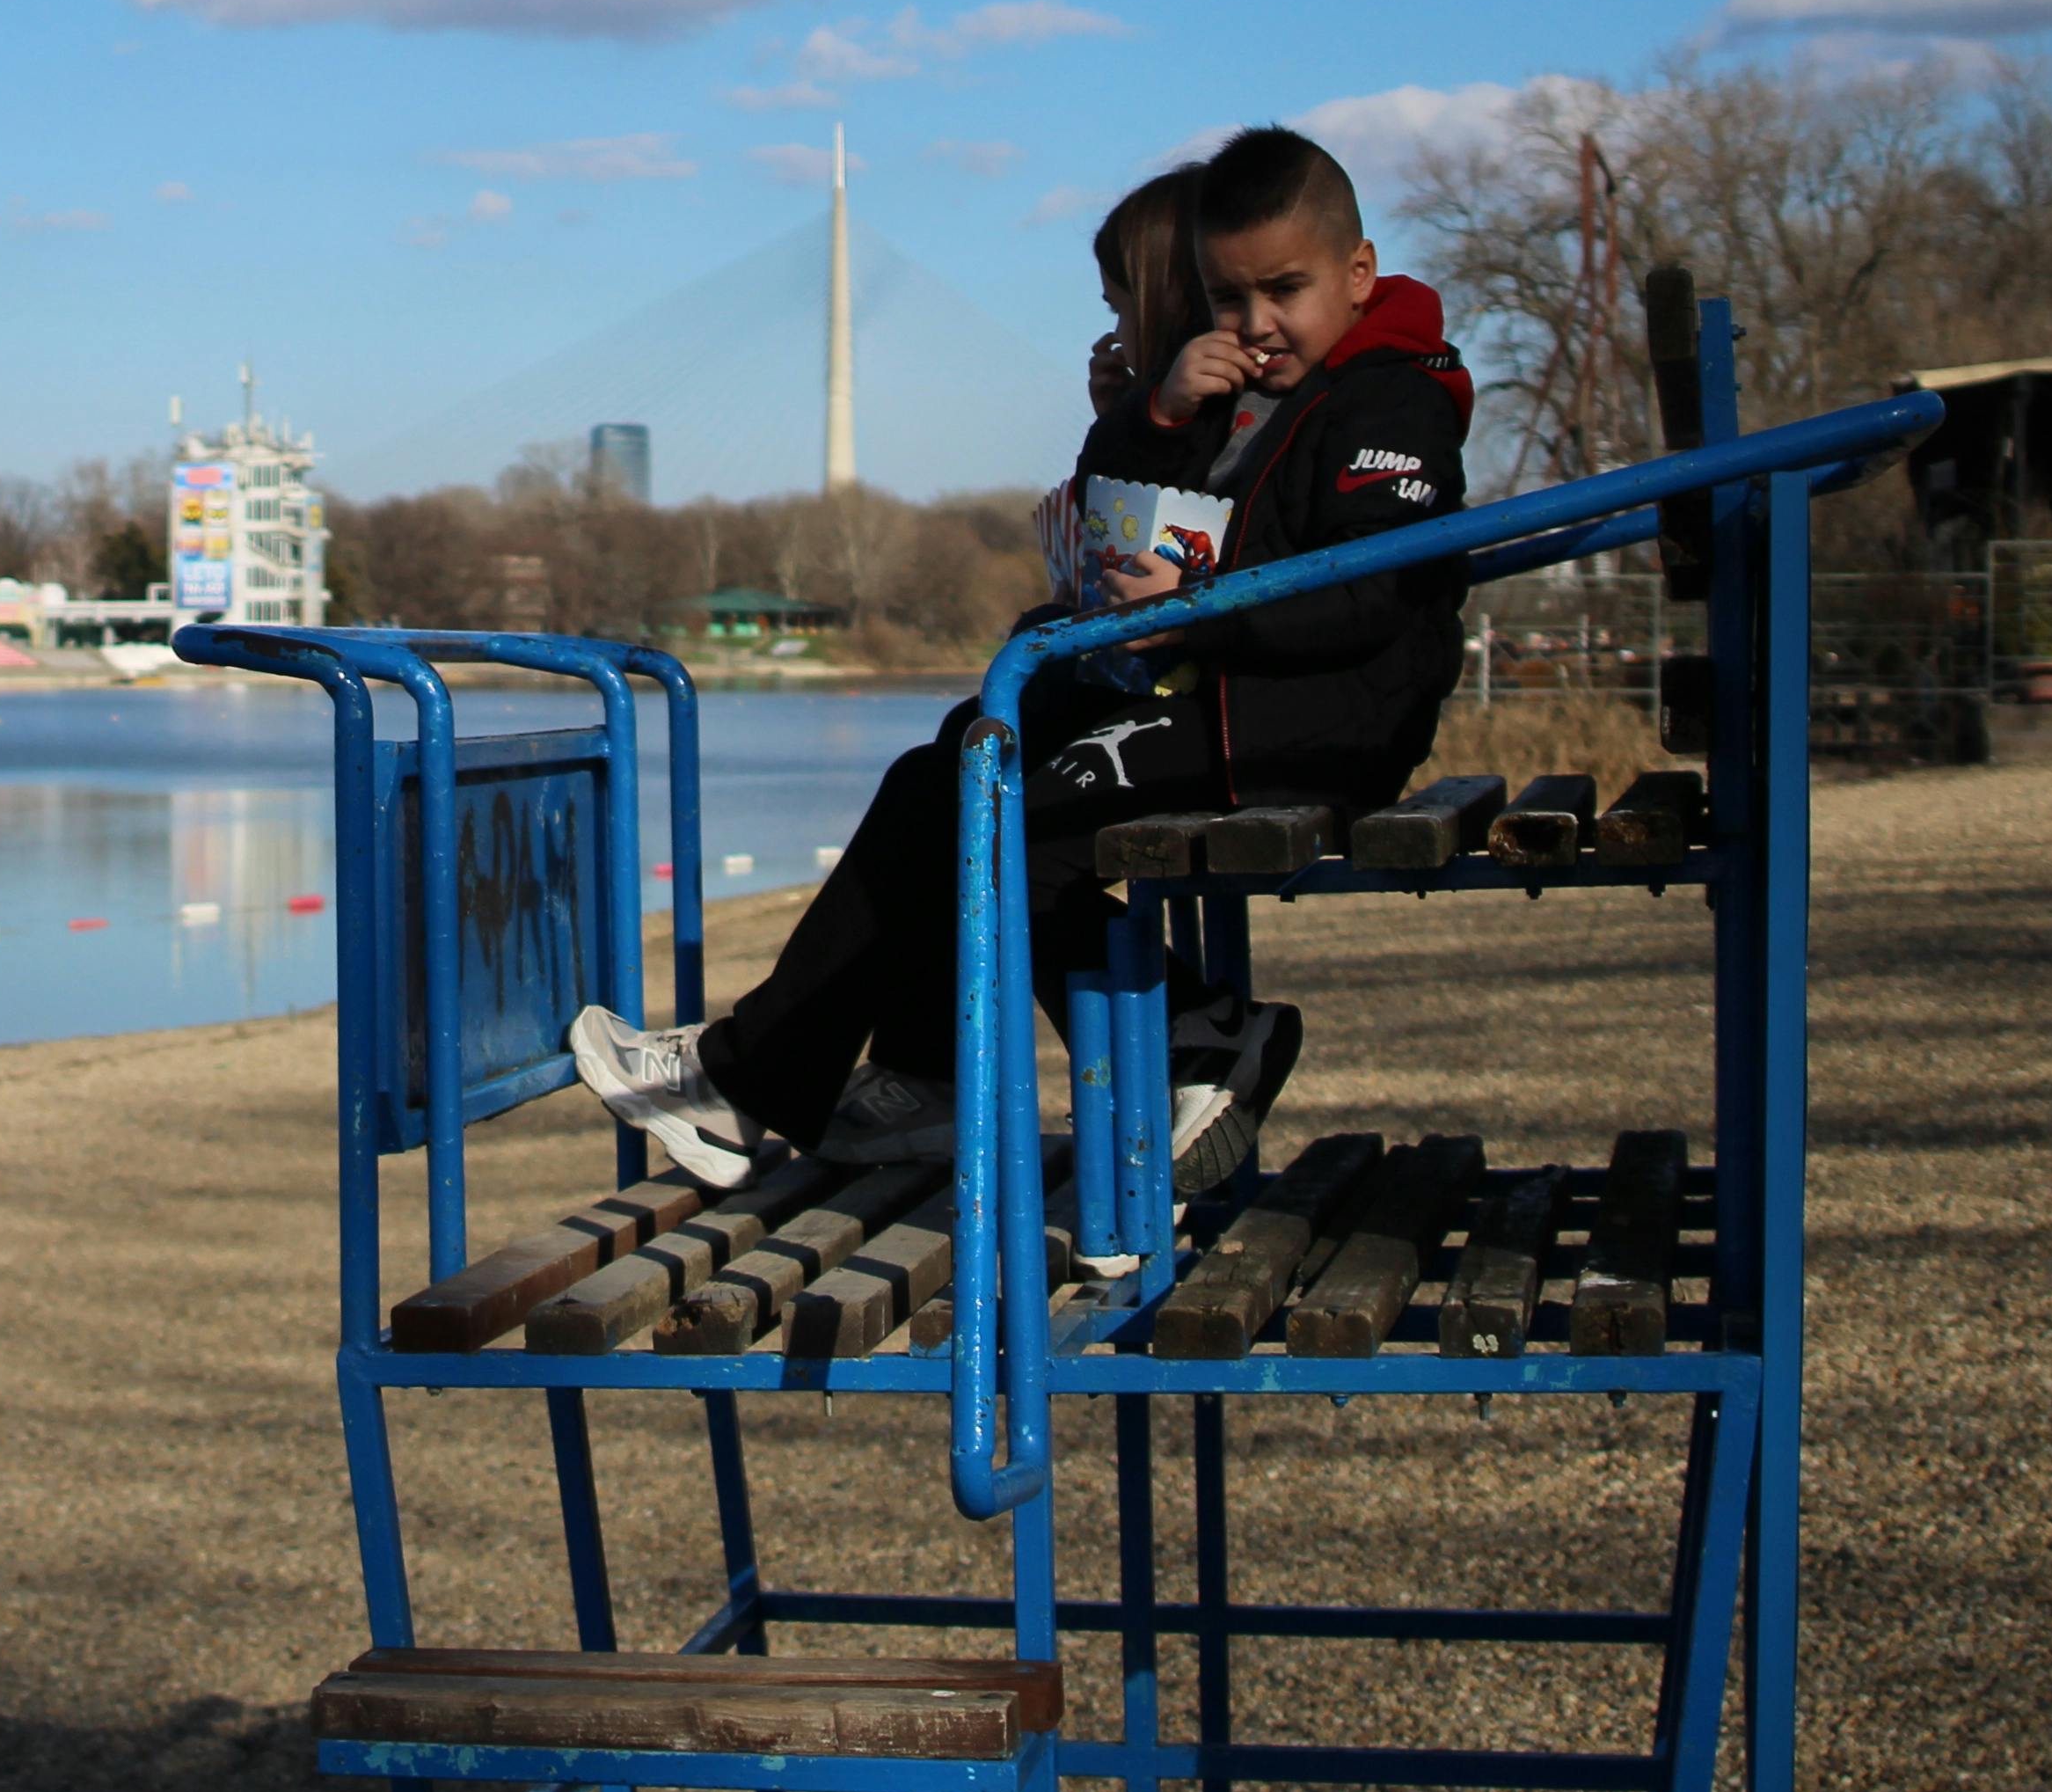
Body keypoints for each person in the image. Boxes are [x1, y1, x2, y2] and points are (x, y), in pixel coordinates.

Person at [569, 123, 1473, 1189]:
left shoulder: (1390, 401)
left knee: (988, 821)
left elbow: (1372, 591)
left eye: (1285, 291)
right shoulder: (1294, 391)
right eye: (1232, 301)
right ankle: (847, 1080)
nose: (1259, 325)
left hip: (1300, 727)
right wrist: (1157, 412)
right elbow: (1141, 525)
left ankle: (1175, 1038)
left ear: (1359, 273)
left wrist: (1197, 614)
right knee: (945, 783)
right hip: (1242, 704)